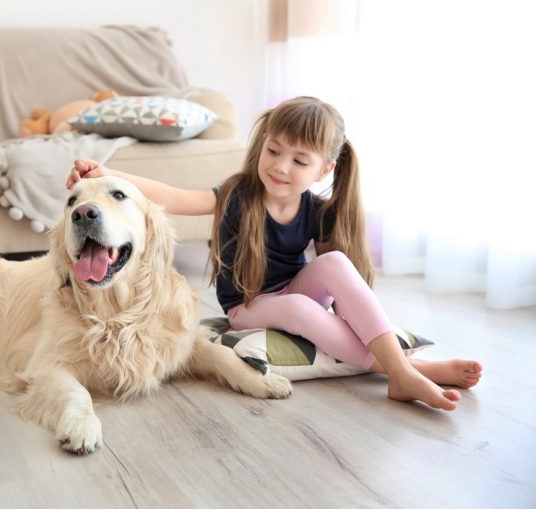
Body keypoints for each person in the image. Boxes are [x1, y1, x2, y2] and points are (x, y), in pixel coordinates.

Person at [66, 96, 482, 411]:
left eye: (299, 160)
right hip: (249, 306)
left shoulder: (317, 211)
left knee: (333, 263)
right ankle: (406, 372)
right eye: (274, 151)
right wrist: (109, 174)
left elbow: (336, 285)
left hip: (295, 294)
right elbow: (175, 196)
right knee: (300, 307)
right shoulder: (238, 195)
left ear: (323, 170)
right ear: (262, 145)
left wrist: (344, 316)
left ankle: (400, 371)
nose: (281, 167)